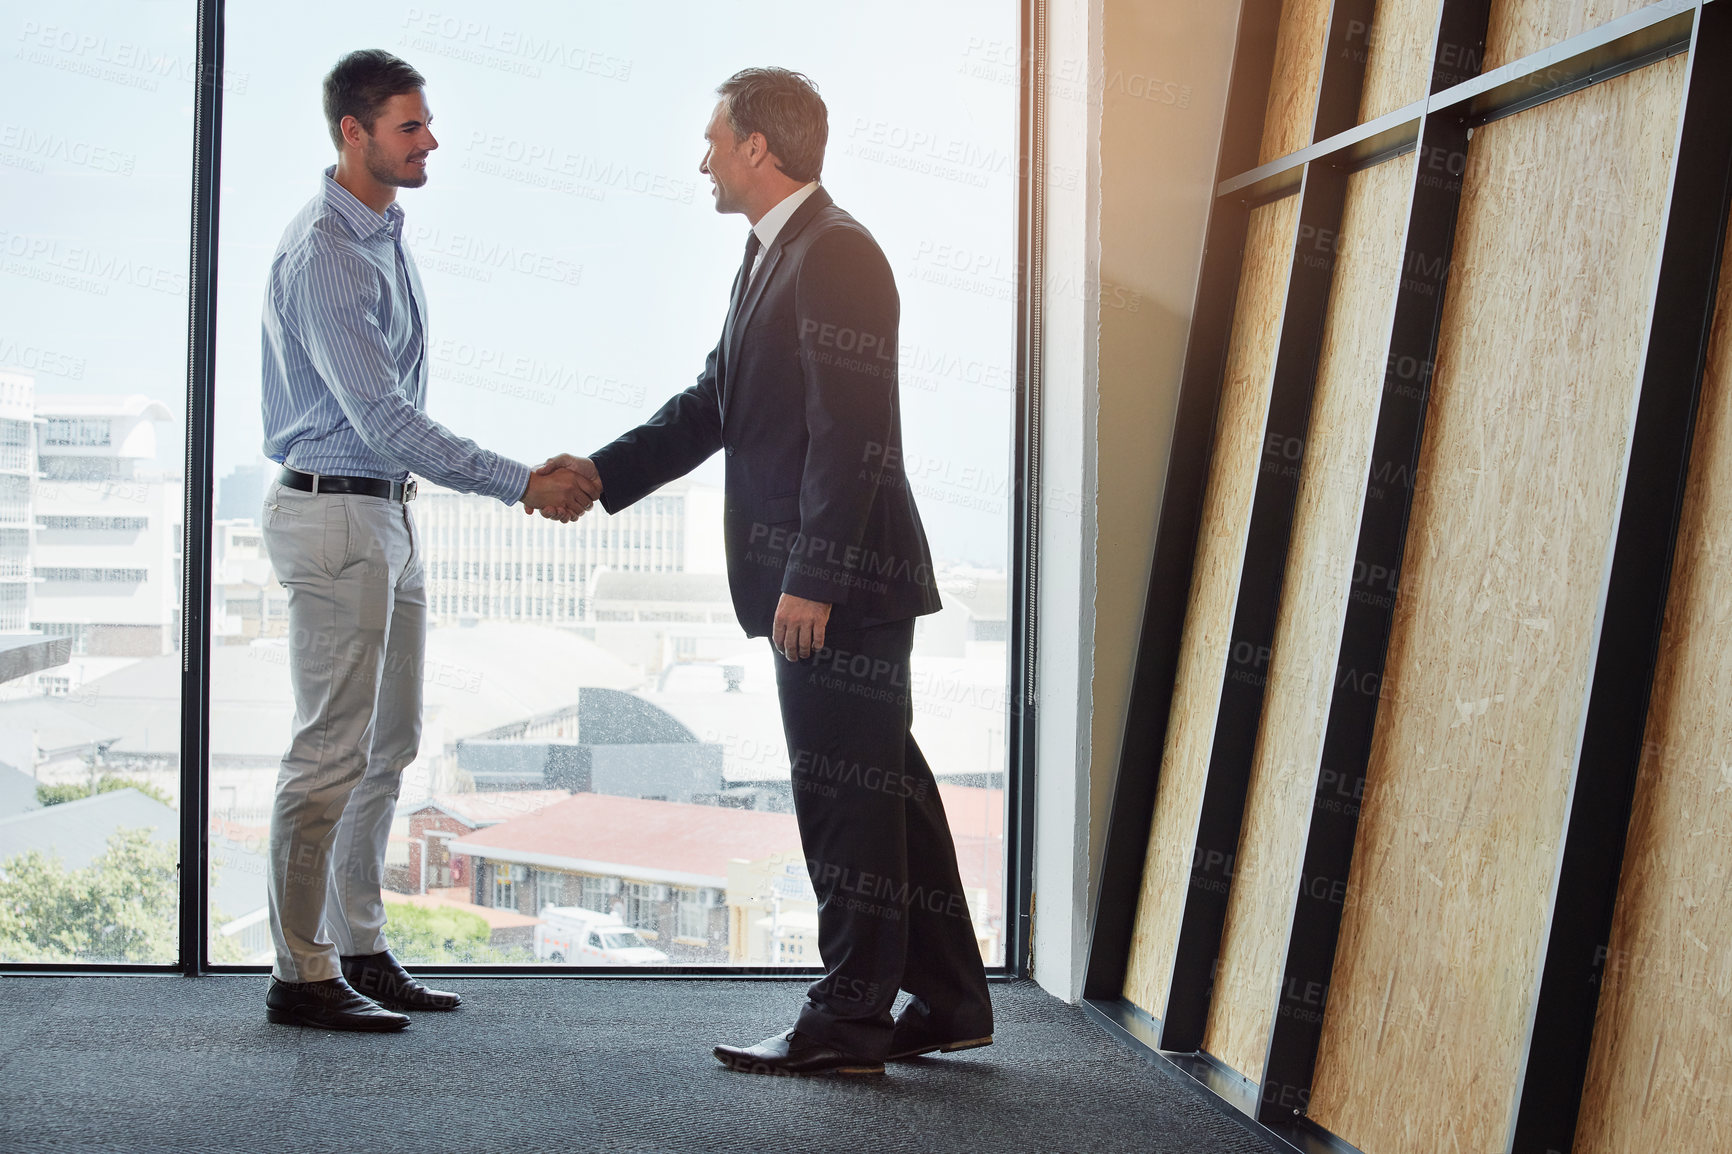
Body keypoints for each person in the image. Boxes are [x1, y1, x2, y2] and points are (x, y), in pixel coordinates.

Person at [539, 67, 993, 1075]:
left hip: (843, 587)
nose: (701, 157)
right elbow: (713, 403)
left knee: (845, 801)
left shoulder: (836, 255)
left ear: (757, 147)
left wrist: (813, 574)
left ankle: (846, 1018)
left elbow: (853, 434)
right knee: (889, 793)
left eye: (713, 138)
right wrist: (603, 472)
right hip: (835, 580)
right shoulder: (770, 258)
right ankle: (953, 994)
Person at [260, 49, 597, 1032]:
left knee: (386, 746)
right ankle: (300, 971)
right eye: (410, 126)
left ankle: (357, 947)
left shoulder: (383, 232)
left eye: (426, 122)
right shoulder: (325, 250)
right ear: (352, 133)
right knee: (328, 751)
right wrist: (520, 482)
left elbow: (395, 429)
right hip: (334, 511)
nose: (430, 141)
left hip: (384, 512)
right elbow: (383, 417)